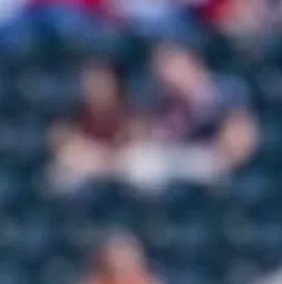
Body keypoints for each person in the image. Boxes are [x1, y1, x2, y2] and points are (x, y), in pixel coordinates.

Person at [135, 40, 260, 184]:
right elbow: (147, 138)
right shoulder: (160, 100)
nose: (166, 75)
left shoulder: (227, 91)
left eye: (172, 64)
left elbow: (241, 141)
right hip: (176, 160)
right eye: (161, 68)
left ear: (194, 63)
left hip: (215, 164)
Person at [48, 58, 137, 191]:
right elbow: (59, 140)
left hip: (120, 172)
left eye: (102, 82)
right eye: (91, 82)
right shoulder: (74, 113)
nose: (96, 88)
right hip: (85, 169)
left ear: (115, 84)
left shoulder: (129, 112)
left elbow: (131, 144)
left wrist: (104, 158)